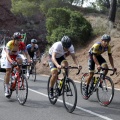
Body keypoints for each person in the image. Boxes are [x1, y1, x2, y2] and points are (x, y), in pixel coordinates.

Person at [84, 34, 117, 99]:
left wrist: (113, 67)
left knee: (106, 68)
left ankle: (100, 81)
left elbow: (110, 57)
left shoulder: (108, 47)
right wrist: (98, 65)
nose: (106, 43)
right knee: (91, 74)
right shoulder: (97, 45)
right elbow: (94, 56)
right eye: (105, 41)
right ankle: (86, 89)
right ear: (102, 41)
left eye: (108, 41)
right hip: (92, 57)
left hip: (98, 56)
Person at [3, 32, 31, 97]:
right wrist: (11, 61)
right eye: (17, 40)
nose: (19, 41)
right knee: (8, 71)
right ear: (14, 39)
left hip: (16, 55)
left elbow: (26, 54)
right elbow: (7, 54)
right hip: (9, 56)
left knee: (20, 61)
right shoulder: (10, 43)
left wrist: (29, 60)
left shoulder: (22, 44)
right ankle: (7, 88)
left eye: (20, 40)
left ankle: (17, 75)